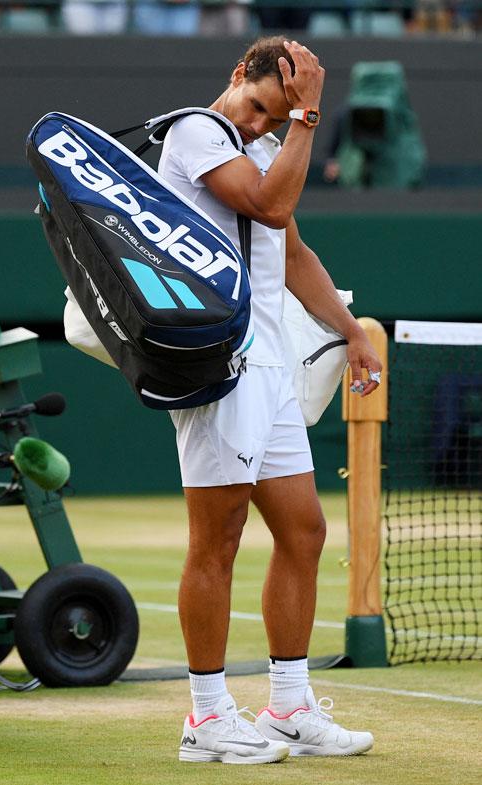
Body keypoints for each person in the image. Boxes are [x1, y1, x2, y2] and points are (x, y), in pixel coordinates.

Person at [158, 35, 382, 765]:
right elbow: (268, 202)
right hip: (215, 366)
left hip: (268, 367)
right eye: (258, 108)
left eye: (274, 115)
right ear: (236, 78)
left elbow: (290, 253)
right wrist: (307, 118)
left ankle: (287, 704)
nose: (260, 126)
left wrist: (350, 331)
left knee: (305, 530)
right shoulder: (197, 131)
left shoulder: (261, 151)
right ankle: (205, 718)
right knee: (216, 541)